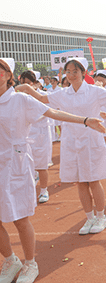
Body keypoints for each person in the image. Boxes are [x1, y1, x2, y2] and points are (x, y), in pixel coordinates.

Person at [1, 58, 106, 283]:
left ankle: (30, 263)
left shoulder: (19, 99)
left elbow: (52, 113)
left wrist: (86, 120)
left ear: (8, 75)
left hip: (15, 163)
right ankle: (10, 260)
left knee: (20, 218)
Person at [15, 58, 106, 236]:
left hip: (91, 139)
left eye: (75, 71)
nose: (71, 74)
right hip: (71, 140)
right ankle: (89, 217)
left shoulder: (94, 91)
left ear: (83, 72)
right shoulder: (63, 93)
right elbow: (43, 98)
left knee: (93, 180)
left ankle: (101, 216)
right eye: (68, 71)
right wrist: (28, 88)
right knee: (80, 181)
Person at [18, 71, 53, 204]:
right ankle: (30, 191)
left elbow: (51, 112)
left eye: (29, 83)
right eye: (23, 83)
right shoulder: (19, 98)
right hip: (25, 135)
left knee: (42, 166)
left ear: (35, 83)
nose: (26, 86)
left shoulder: (43, 96)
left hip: (41, 134)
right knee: (26, 166)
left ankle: (44, 190)